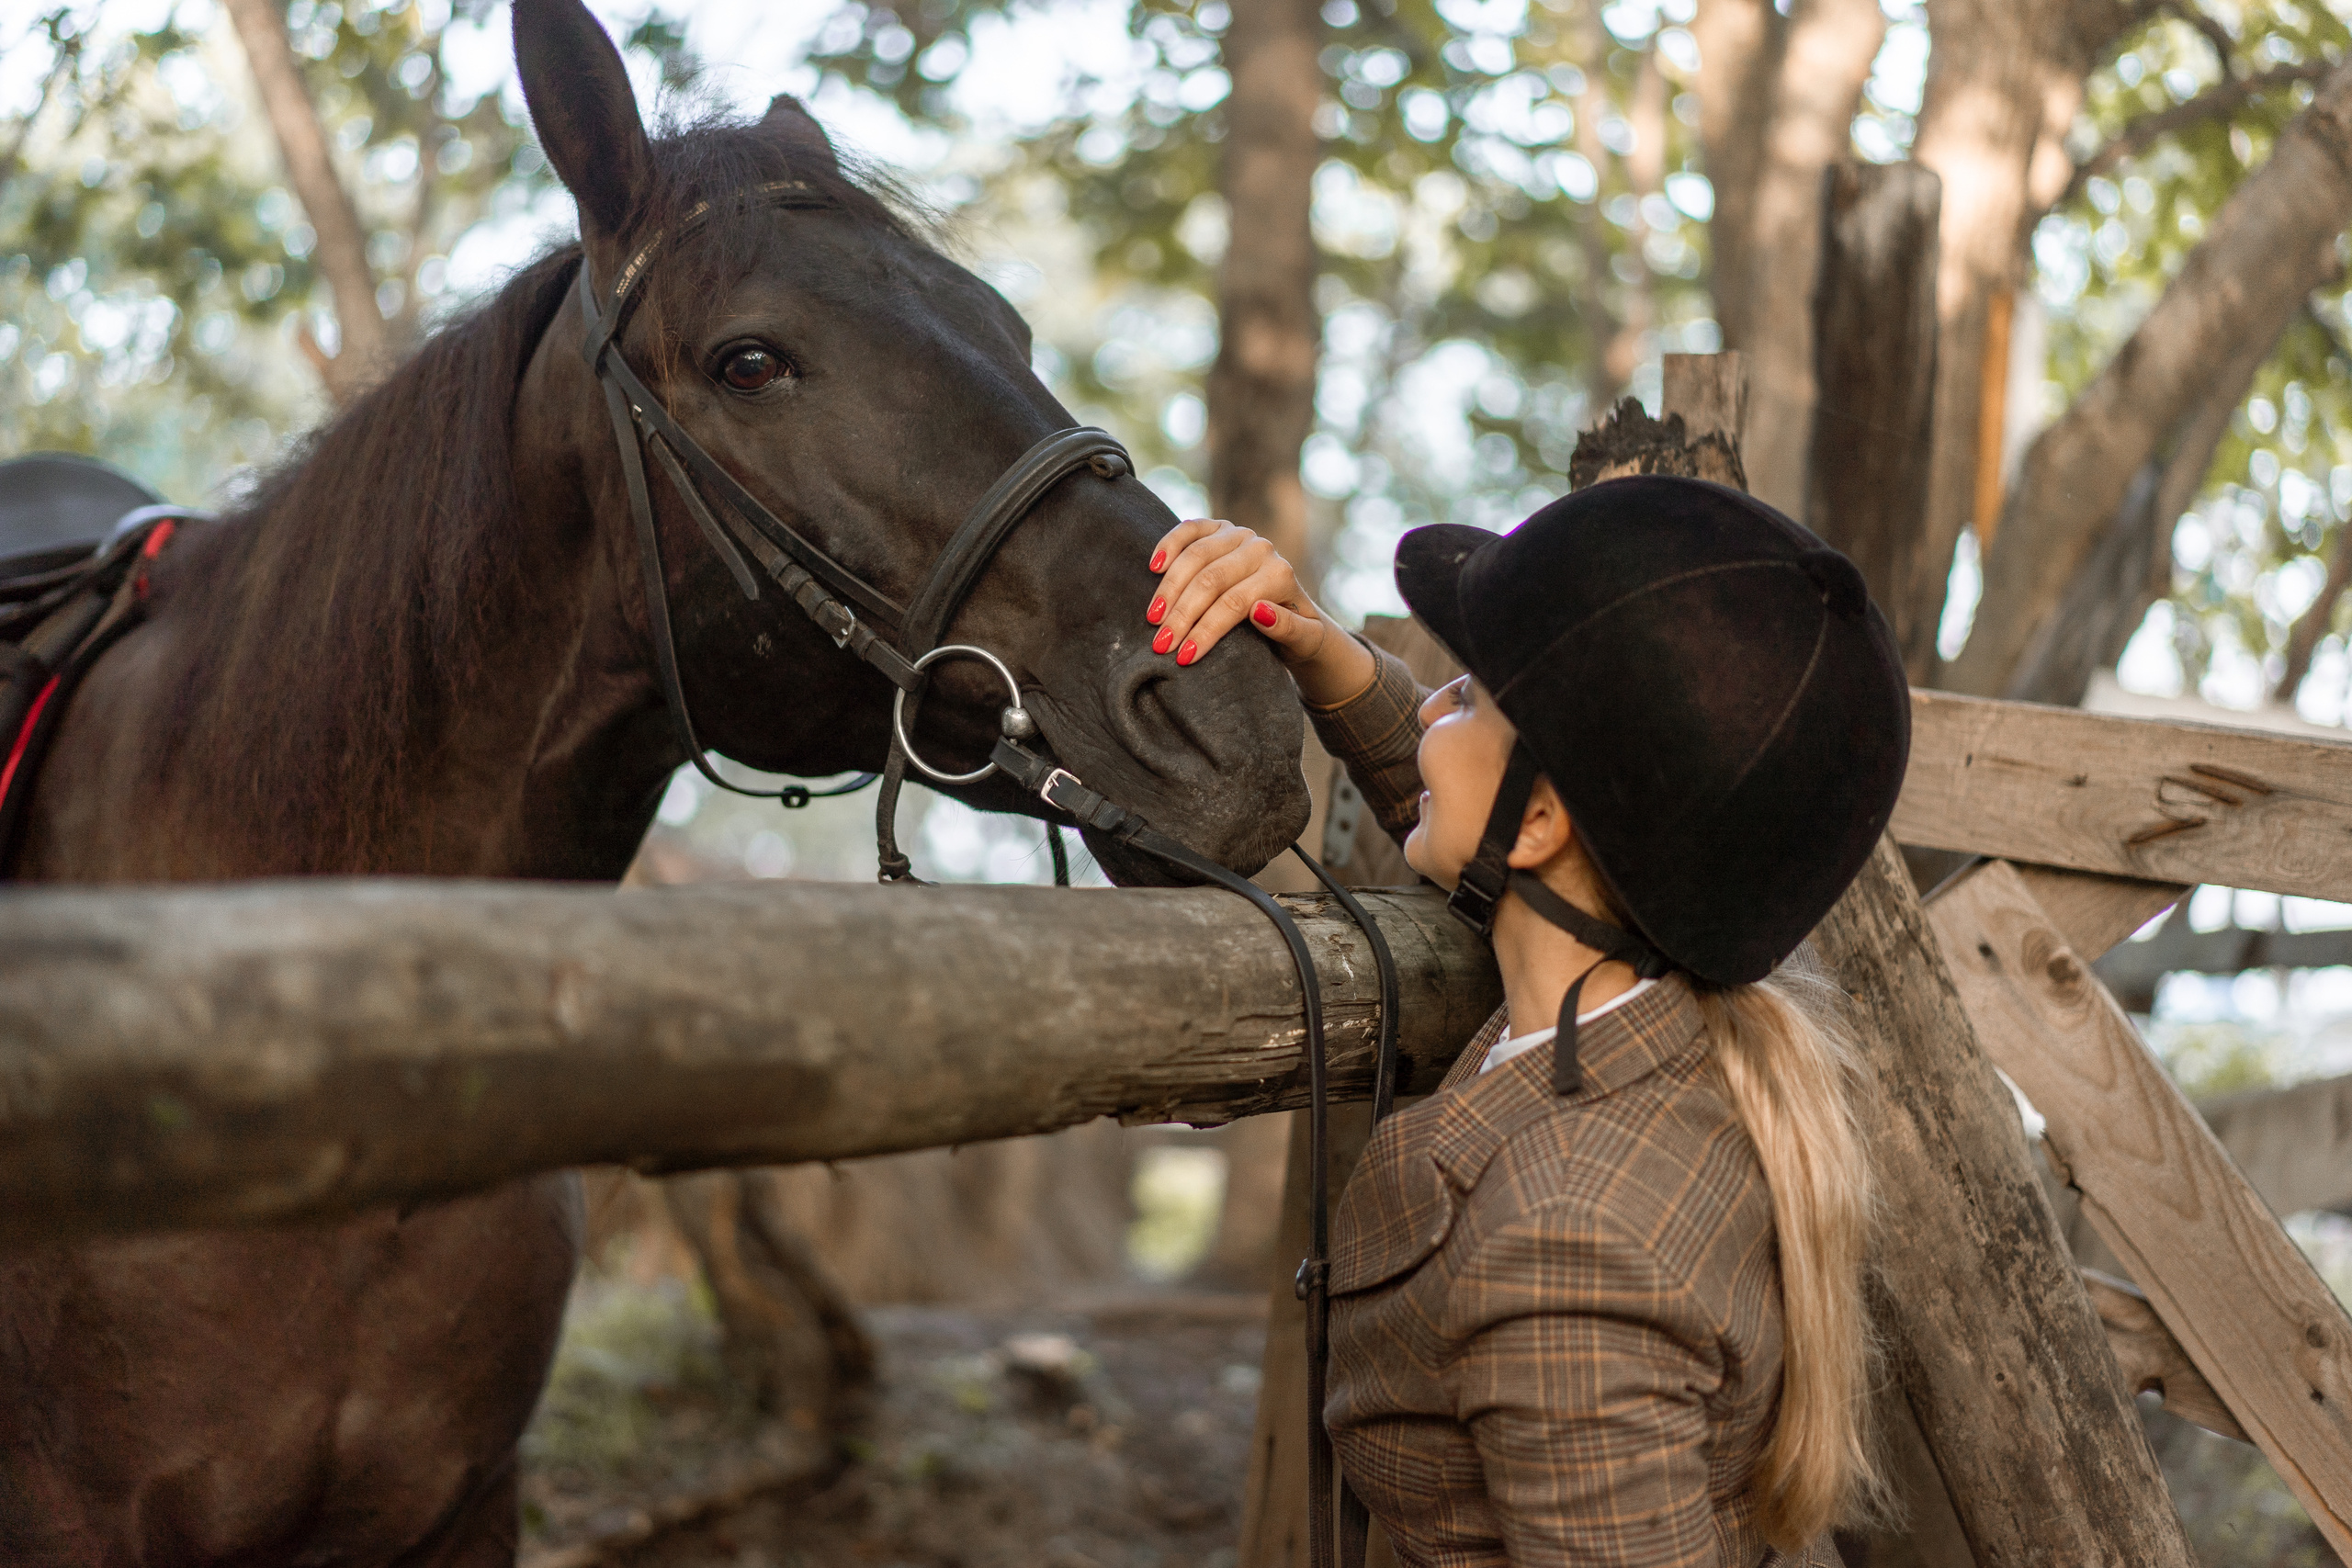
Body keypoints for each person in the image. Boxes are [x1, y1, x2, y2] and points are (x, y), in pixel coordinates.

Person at [1141, 475, 1908, 1567]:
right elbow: (1491, 816)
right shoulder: (1674, 1037)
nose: (1430, 709)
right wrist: (1326, 656)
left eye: (1463, 696)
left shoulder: (1569, 1248)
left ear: (1542, 820)